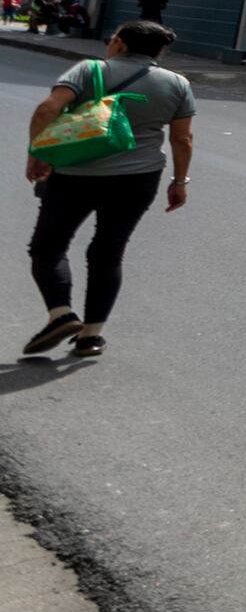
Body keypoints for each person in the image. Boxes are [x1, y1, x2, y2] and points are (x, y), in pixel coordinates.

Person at [21, 20, 194, 362]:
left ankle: (61, 314)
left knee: (48, 246)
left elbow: (47, 109)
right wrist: (179, 181)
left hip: (74, 175)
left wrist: (36, 153)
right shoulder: (178, 83)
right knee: (108, 252)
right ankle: (91, 336)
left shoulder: (88, 70)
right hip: (138, 178)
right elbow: (182, 138)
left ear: (118, 43)